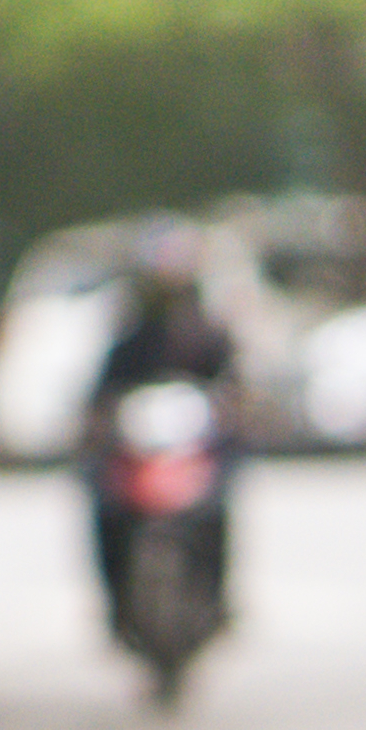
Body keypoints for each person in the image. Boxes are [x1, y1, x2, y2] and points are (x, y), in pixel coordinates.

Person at [89, 223, 243, 624]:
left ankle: (218, 592)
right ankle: (115, 598)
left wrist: (233, 409)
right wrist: (98, 421)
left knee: (222, 499)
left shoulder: (208, 336)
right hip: (140, 450)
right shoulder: (129, 342)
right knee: (101, 499)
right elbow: (103, 393)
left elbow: (232, 387)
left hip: (195, 449)